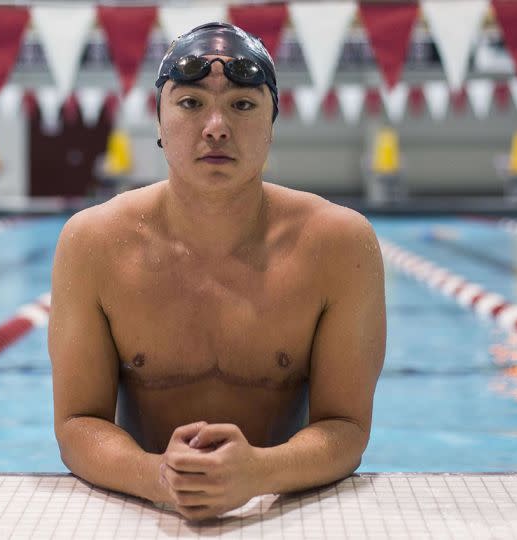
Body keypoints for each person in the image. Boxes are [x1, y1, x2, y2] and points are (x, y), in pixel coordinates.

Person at [48, 22, 386, 521]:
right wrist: (158, 475)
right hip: (147, 509)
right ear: (159, 120)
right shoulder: (93, 243)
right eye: (190, 103)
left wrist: (262, 472)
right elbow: (78, 423)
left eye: (243, 105)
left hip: (283, 510)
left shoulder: (339, 245)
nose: (216, 127)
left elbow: (347, 427)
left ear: (273, 123)